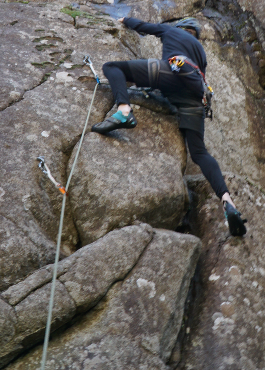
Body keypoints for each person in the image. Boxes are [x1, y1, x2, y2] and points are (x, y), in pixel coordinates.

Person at [91, 16, 247, 237]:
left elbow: (143, 27)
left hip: (171, 72)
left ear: (181, 28)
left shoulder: (170, 31)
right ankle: (227, 200)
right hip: (194, 97)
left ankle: (124, 111)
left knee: (113, 68)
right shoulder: (200, 52)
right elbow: (194, 80)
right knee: (200, 153)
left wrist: (125, 19)